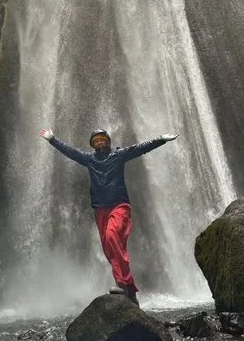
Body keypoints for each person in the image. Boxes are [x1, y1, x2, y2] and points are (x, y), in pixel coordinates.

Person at [39, 127, 179, 306]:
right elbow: (71, 152)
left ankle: (122, 283)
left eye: (102, 139)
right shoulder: (89, 159)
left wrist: (161, 139)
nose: (99, 142)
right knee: (109, 249)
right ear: (93, 144)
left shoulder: (119, 155)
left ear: (108, 141)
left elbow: (140, 148)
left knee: (112, 236)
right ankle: (130, 290)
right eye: (96, 140)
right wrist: (53, 140)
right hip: (100, 209)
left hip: (119, 206)